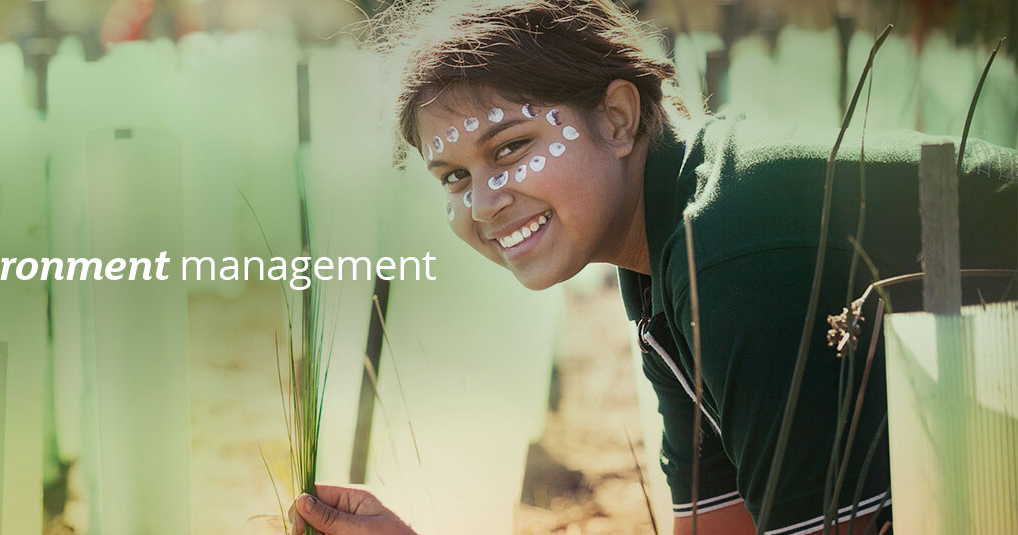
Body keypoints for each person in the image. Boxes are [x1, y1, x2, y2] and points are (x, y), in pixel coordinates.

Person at [287, 1, 1018, 534]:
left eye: (510, 147)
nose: (484, 201)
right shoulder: (667, 255)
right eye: (451, 177)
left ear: (616, 117)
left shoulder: (730, 249)